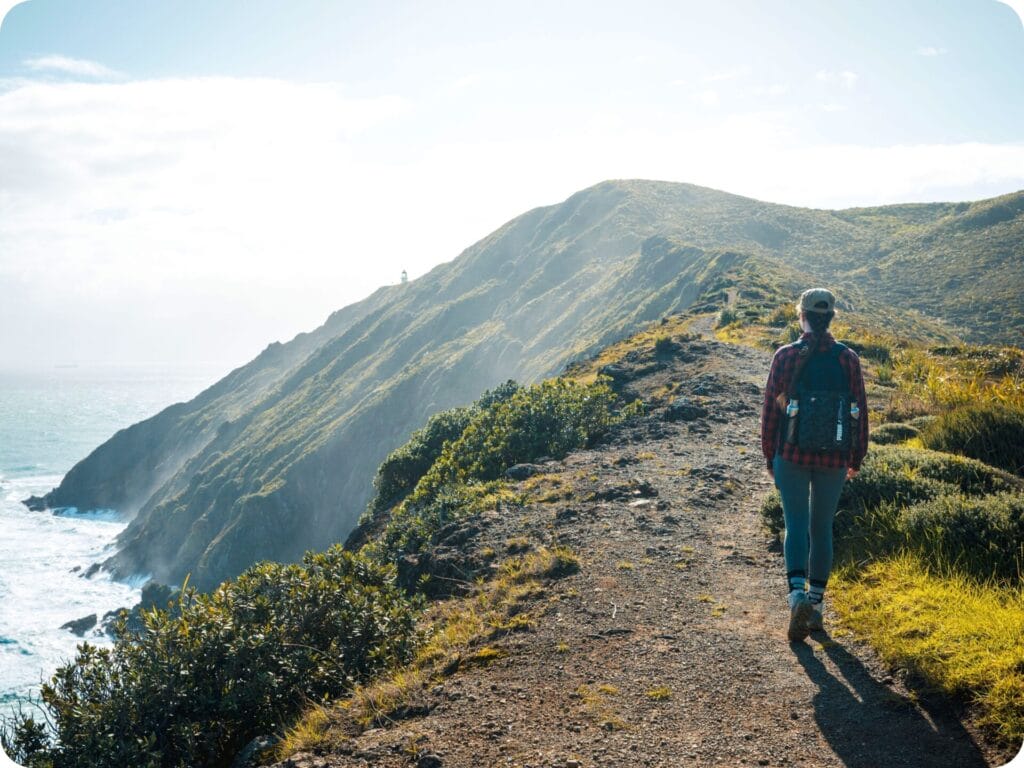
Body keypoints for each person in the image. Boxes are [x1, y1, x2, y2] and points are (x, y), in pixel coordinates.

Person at [760, 288, 869, 642]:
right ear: (832, 317)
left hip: (791, 454)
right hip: (834, 457)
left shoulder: (786, 356)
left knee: (795, 526)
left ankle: (796, 598)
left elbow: (771, 411)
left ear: (801, 315)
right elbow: (860, 412)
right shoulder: (847, 358)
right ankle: (817, 607)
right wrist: (856, 457)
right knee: (821, 529)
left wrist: (769, 455)